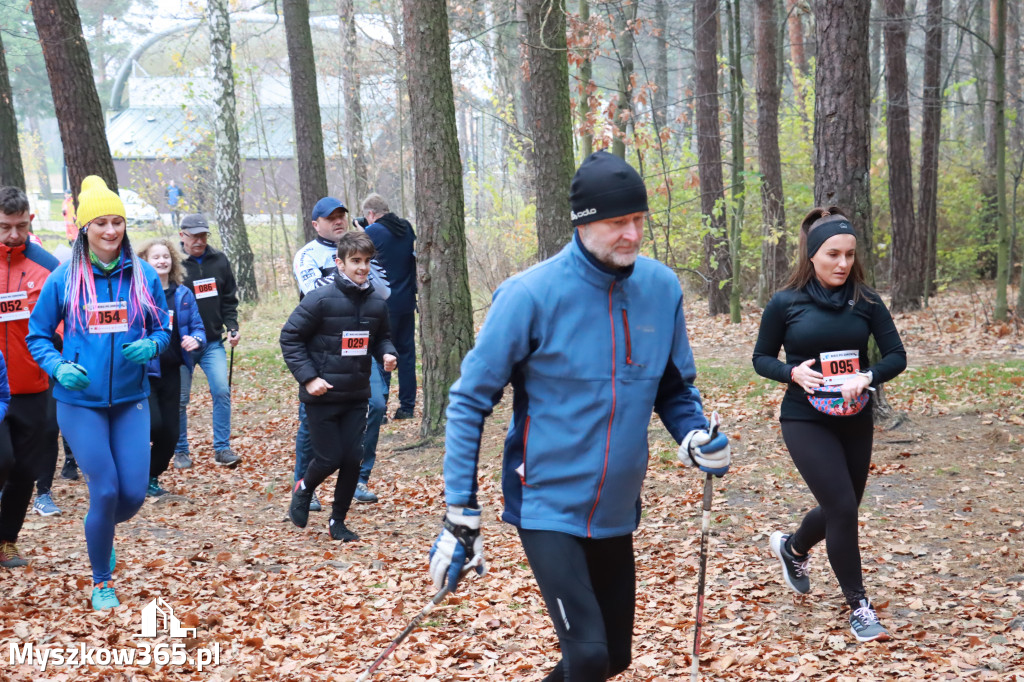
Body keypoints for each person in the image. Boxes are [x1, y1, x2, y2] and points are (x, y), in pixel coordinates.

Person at [429, 151, 731, 681]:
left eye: (638, 220)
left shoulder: (661, 290)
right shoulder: (529, 295)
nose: (632, 235)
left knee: (611, 658)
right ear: (583, 222)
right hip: (546, 501)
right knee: (588, 656)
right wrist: (461, 511)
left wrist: (693, 435)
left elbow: (674, 388)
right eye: (618, 223)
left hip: (616, 507)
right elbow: (469, 399)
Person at [752, 207, 907, 643]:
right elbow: (761, 358)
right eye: (833, 254)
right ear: (812, 255)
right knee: (842, 507)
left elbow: (897, 355)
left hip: (854, 417)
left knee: (845, 506)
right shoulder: (785, 303)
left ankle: (792, 547)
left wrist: (868, 376)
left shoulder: (867, 300)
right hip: (804, 417)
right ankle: (859, 606)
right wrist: (792, 373)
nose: (842, 264)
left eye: (849, 255)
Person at [27, 175, 170, 610]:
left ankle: (100, 531)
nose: (111, 231)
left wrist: (153, 345)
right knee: (105, 491)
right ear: (84, 228)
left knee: (132, 495)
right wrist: (58, 366)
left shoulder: (143, 274)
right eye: (101, 223)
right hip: (79, 402)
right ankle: (102, 580)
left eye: (118, 222)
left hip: (130, 399)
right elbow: (36, 336)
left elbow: (163, 327)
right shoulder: (64, 278)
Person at [281, 232, 397, 542]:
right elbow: (290, 338)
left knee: (352, 459)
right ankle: (303, 487)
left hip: (356, 394)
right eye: (355, 261)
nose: (362, 268)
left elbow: (382, 337)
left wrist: (387, 353)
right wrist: (308, 378)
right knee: (330, 457)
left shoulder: (376, 302)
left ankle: (338, 522)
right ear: (340, 263)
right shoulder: (319, 300)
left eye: (367, 262)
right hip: (322, 395)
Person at [292, 197, 392, 506]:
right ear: (316, 223)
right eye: (330, 217)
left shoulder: (361, 249)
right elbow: (316, 292)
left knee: (375, 405)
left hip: (361, 345)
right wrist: (352, 280)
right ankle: (304, 487)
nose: (338, 221)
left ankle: (359, 478)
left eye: (341, 216)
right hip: (323, 348)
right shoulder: (307, 255)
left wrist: (360, 267)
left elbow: (384, 290)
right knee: (312, 420)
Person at [0, 187, 59, 562]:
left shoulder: (49, 266)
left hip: (34, 386)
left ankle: (7, 540)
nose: (13, 235)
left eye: (20, 226)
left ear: (30, 221)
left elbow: (66, 322)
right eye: (5, 227)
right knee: (2, 461)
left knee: (25, 468)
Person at [138, 238, 206, 497]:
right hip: (145, 371)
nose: (162, 261)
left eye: (166, 256)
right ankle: (135, 474)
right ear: (145, 262)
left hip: (173, 370)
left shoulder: (183, 294)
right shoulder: (138, 293)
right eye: (155, 257)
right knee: (153, 425)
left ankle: (150, 478)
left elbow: (198, 327)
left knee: (171, 433)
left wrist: (195, 339)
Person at [174, 213, 241, 469]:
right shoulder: (175, 263)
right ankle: (180, 450)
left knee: (221, 391)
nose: (200, 241)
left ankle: (222, 449)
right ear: (182, 236)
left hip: (212, 342)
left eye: (203, 235)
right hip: (183, 344)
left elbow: (229, 299)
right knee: (180, 399)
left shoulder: (219, 261)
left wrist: (232, 326)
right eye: (194, 236)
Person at [362, 194, 417, 420]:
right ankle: (407, 406)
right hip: (406, 302)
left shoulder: (373, 232)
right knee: (406, 354)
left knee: (380, 353)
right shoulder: (406, 227)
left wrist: (362, 231)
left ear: (371, 214)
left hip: (383, 304)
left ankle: (380, 408)